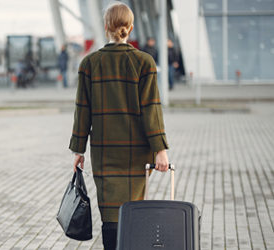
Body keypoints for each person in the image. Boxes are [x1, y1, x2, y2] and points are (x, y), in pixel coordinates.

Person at [69, 2, 169, 250]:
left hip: (104, 152)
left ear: (105, 28)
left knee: (110, 212)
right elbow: (152, 109)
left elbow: (83, 111)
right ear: (131, 28)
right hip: (138, 151)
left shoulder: (89, 64)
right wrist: (160, 149)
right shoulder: (144, 62)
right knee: (133, 207)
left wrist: (78, 150)